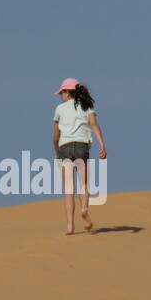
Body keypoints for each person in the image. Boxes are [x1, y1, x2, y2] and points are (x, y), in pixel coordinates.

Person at [52, 79, 106, 235]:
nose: (60, 95)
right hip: (82, 147)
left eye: (62, 92)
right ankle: (84, 209)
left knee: (69, 189)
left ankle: (70, 225)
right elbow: (94, 125)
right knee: (84, 184)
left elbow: (55, 137)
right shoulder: (86, 105)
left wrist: (57, 155)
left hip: (65, 148)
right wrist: (102, 145)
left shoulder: (59, 109)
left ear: (68, 92)